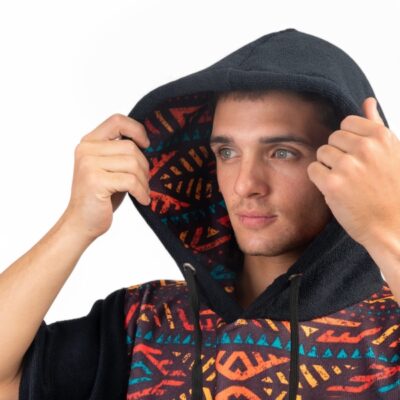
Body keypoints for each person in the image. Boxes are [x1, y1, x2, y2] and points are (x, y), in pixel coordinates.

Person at [1, 27, 399, 400]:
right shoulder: (144, 323)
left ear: (351, 163)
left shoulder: (389, 328)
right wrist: (75, 225)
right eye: (227, 152)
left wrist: (387, 225)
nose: (245, 184)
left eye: (282, 152)